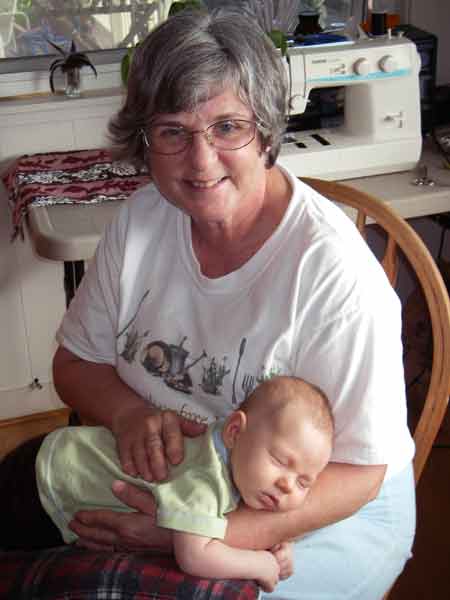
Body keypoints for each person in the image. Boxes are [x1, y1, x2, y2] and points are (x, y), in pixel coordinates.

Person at [9, 7, 415, 599]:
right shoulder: (142, 221)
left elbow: (361, 476)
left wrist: (196, 535)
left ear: (268, 130)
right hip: (187, 488)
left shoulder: (333, 274)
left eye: (228, 127)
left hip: (319, 515)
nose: (200, 163)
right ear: (145, 140)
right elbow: (75, 364)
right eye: (173, 131)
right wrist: (127, 414)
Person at [0, 376, 333, 592]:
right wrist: (260, 563)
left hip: (59, 459)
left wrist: (272, 542)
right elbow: (195, 556)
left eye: (305, 482)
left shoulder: (238, 456)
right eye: (279, 460)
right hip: (44, 483)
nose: (288, 486)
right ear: (234, 431)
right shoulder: (207, 478)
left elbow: (234, 517)